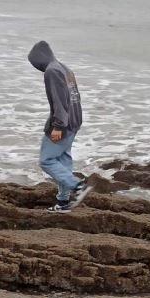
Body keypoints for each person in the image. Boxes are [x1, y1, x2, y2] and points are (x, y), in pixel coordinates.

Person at [28, 40, 92, 212]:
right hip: (74, 121)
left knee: (46, 160)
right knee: (63, 161)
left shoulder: (51, 71)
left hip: (63, 124)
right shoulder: (65, 68)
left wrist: (58, 126)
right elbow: (75, 98)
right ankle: (63, 202)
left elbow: (59, 101)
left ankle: (77, 186)